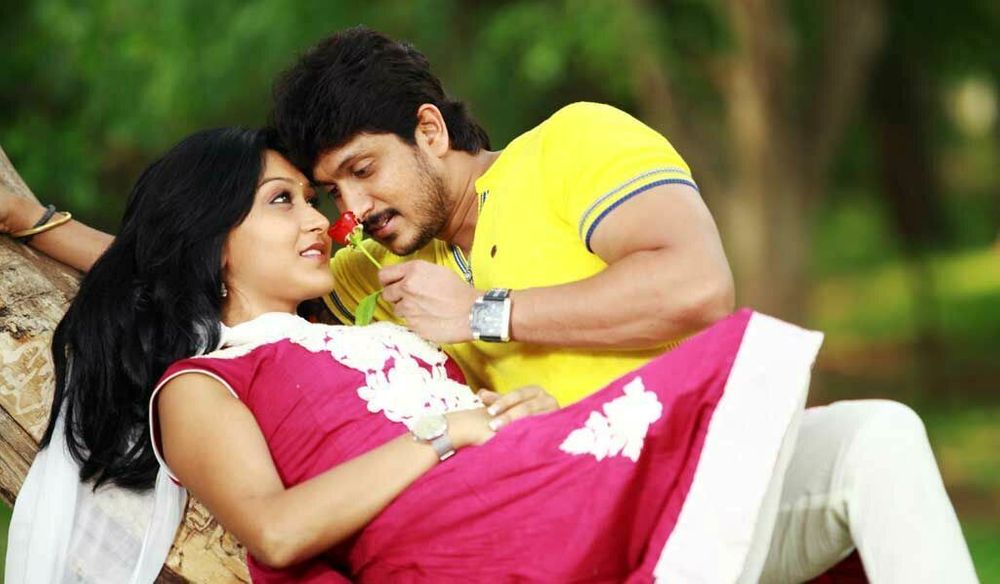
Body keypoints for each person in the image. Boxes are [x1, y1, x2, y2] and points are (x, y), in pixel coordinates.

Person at [0, 27, 979, 583]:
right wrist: (40, 222)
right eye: (325, 192)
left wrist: (482, 314)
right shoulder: (372, 269)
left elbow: (695, 287)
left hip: (676, 463)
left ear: (429, 130)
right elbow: (197, 263)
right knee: (877, 437)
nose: (349, 212)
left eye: (361, 172)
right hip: (546, 517)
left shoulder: (572, 145)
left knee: (877, 435)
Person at [5, 128, 823, 582]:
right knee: (761, 408)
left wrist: (510, 414)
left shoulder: (363, 325)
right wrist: (446, 433)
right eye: (284, 201)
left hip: (527, 486)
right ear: (210, 241)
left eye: (316, 198)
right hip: (465, 545)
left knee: (862, 441)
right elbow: (277, 531)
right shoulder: (203, 382)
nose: (325, 220)